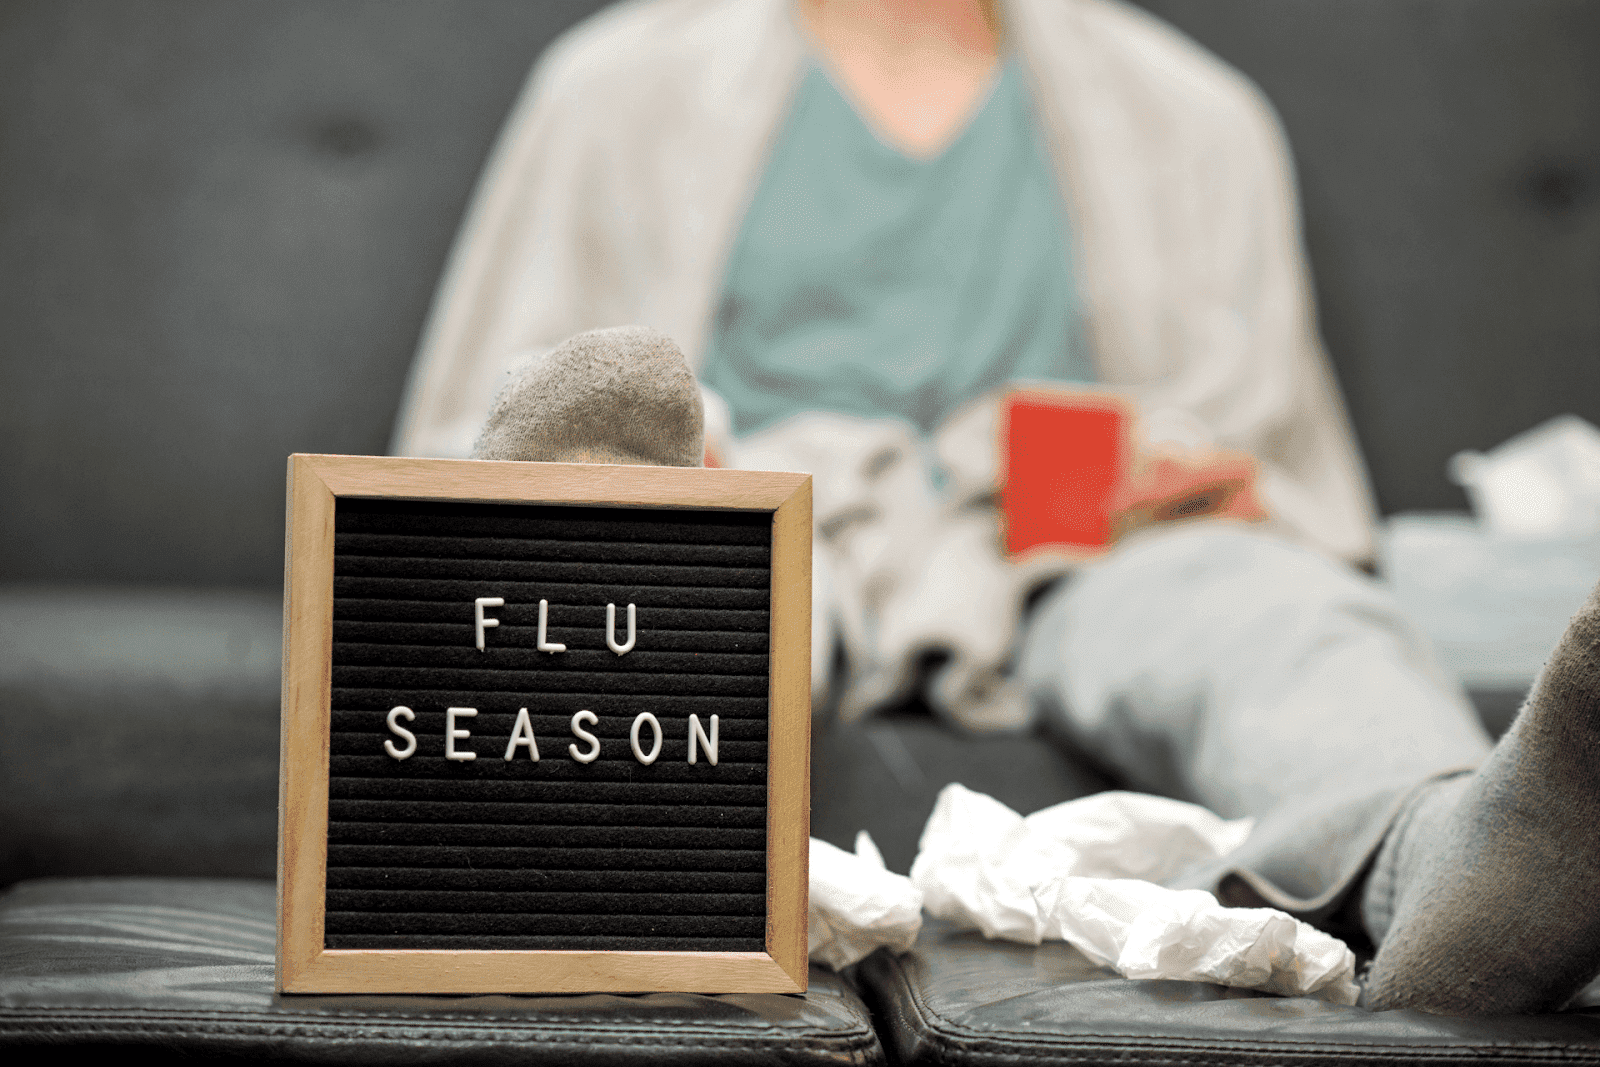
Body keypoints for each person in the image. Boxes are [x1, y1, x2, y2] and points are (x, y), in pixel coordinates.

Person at [391, 0, 1600, 1015]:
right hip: (763, 500)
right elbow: (480, 421)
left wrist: (1202, 477)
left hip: (1074, 537)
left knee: (1283, 613)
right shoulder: (616, 85)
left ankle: (1447, 867)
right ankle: (571, 822)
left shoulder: (1192, 114)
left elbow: (1281, 473)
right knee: (695, 588)